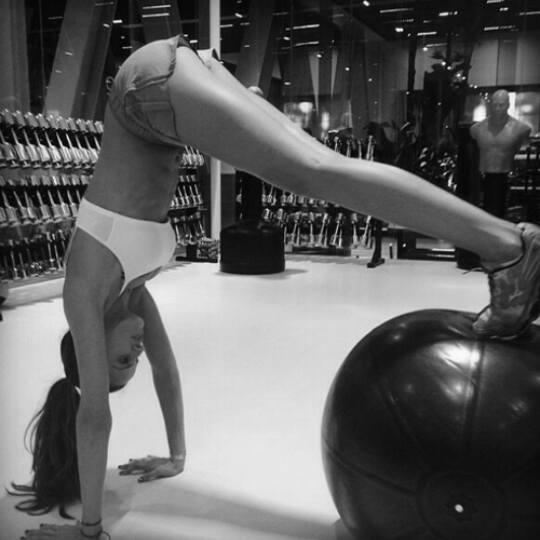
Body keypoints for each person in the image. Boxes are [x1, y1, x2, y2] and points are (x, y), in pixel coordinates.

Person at [14, 36, 540, 540]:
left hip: (146, 94)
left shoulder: (84, 289)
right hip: (165, 98)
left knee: (314, 171)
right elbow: (166, 370)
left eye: (120, 360)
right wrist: (176, 456)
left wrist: (88, 530)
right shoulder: (132, 291)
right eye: (133, 361)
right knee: (322, 166)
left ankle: (505, 246)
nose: (135, 351)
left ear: (88, 346)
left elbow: (95, 416)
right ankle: (503, 244)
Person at [470, 89, 531, 218]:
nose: (497, 109)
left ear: (508, 105)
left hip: (505, 175)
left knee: (499, 209)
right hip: (484, 176)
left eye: (501, 105)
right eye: (495, 105)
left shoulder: (521, 128)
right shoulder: (477, 129)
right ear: (490, 105)